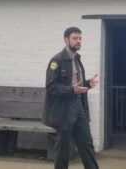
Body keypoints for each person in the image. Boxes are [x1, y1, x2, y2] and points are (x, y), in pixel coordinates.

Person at [42, 26, 100, 169]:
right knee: (63, 148)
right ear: (66, 40)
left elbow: (76, 84)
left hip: (78, 106)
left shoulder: (77, 59)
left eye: (80, 38)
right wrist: (71, 90)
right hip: (63, 109)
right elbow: (50, 86)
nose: (78, 41)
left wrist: (88, 83)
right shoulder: (57, 60)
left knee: (87, 143)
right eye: (75, 38)